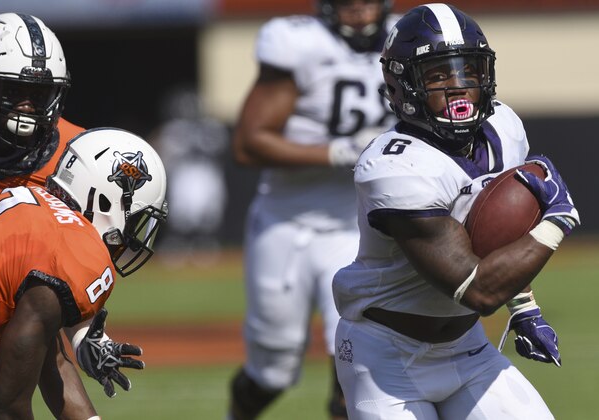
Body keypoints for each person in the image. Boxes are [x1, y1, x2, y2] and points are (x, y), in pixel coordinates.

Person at [332, 4, 579, 419]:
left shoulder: (503, 127)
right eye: (438, 75)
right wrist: (558, 219)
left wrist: (524, 307)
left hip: (469, 349)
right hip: (387, 360)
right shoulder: (394, 166)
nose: (460, 86)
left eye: (469, 71)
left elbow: (493, 238)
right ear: (401, 86)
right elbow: (477, 289)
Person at [226, 1, 399, 419]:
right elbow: (249, 143)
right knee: (272, 372)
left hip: (359, 228)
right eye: (348, 2)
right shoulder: (299, 44)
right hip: (287, 225)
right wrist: (338, 152)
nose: (359, 11)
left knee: (358, 359)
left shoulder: (405, 39)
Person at [0, 12, 146, 410]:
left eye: (40, 94)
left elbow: (49, 277)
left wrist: (85, 332)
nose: (27, 107)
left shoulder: (77, 157)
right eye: (12, 91)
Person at [0, 127, 167, 419]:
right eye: (136, 220)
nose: (133, 236)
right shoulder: (75, 252)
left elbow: (51, 360)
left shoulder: (34, 203)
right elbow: (7, 406)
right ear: (106, 200)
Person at [149, 85, 228, 265]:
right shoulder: (173, 129)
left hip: (205, 170)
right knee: (182, 213)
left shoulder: (211, 126)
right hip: (185, 172)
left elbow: (220, 147)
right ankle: (178, 246)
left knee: (207, 213)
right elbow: (165, 152)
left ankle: (204, 246)